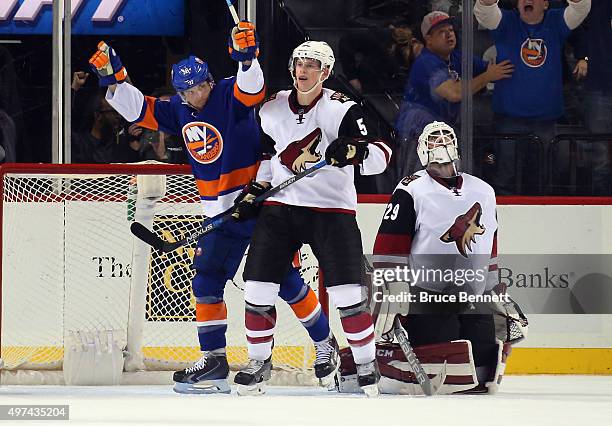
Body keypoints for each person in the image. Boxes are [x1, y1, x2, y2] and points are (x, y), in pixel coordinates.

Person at [89, 22, 335, 394]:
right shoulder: (178, 109)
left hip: (258, 205)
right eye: (188, 90)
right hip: (218, 214)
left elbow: (251, 90)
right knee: (205, 282)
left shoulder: (227, 95)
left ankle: (324, 345)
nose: (196, 94)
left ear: (210, 80)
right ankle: (215, 362)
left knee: (284, 281)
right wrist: (114, 79)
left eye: (201, 86)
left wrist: (247, 58)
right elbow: (139, 110)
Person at [231, 40, 392, 397]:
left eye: (312, 66)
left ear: (326, 73)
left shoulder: (344, 109)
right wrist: (255, 189)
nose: (303, 71)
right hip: (282, 208)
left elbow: (382, 154)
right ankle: (259, 362)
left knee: (347, 293)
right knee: (257, 287)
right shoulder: (271, 108)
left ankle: (365, 363)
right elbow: (266, 156)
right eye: (299, 64)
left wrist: (355, 151)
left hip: (331, 211)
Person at [370, 121, 517, 393]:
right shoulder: (410, 189)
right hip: (428, 295)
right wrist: (395, 300)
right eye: (433, 140)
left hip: (472, 294)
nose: (440, 145)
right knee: (443, 360)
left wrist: (494, 293)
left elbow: (490, 248)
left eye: (444, 139)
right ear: (422, 150)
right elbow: (388, 250)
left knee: (484, 369)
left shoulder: (483, 191)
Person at [474, 0, 591, 194]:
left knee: (543, 180)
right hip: (509, 120)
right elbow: (485, 10)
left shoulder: (555, 22)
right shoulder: (506, 22)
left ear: (545, 4)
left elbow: (580, 8)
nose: (527, 0)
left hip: (545, 121)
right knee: (506, 178)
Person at [395, 10, 514, 179]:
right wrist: (488, 76)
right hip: (417, 134)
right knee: (417, 181)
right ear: (428, 39)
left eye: (450, 30)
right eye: (441, 32)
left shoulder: (457, 58)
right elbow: (454, 93)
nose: (449, 35)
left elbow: (493, 68)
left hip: (440, 132)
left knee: (446, 179)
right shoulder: (426, 62)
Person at [571, 0, 612, 195]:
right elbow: (576, 25)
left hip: (600, 84)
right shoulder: (597, 4)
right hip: (600, 83)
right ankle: (601, 202)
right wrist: (583, 55)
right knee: (599, 153)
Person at [338, 19, 423, 94]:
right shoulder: (385, 37)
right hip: (367, 86)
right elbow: (347, 41)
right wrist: (352, 77)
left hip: (390, 93)